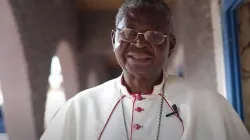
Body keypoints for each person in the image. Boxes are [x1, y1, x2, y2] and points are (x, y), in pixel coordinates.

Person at [40, 0, 250, 139]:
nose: (139, 44)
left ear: (171, 46)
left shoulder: (211, 107)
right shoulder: (78, 109)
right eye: (129, 33)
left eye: (155, 36)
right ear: (114, 39)